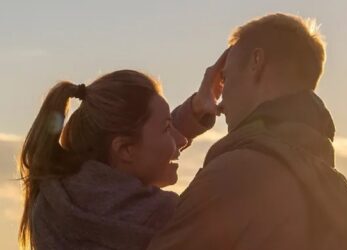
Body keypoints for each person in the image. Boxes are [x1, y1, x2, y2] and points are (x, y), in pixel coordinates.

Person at [147, 13, 347, 250]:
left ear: (256, 61)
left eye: (225, 77)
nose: (220, 104)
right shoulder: (334, 189)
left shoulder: (233, 174)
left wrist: (185, 117)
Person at [18, 53, 227, 250]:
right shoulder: (164, 219)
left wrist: (195, 111)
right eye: (166, 128)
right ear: (125, 150)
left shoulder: (52, 204)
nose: (181, 139)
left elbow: (143, 137)